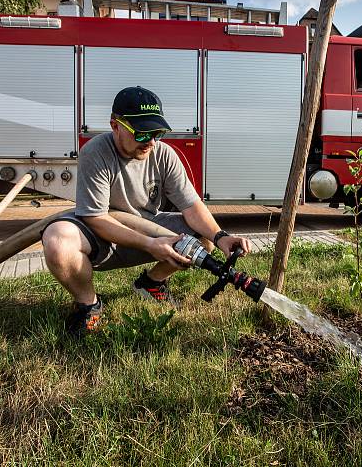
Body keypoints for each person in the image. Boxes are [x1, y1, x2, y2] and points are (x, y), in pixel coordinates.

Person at [42, 86, 251, 336]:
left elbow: (192, 206)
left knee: (202, 237)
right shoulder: (96, 152)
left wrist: (220, 236)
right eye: (142, 134)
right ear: (115, 125)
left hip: (148, 229)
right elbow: (95, 218)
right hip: (104, 235)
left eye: (157, 133)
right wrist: (150, 243)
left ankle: (151, 283)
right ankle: (89, 306)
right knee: (57, 239)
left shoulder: (164, 155)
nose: (151, 142)